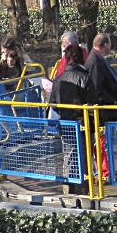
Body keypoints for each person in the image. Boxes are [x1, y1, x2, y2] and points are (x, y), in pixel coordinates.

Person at [49, 44, 98, 194]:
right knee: (83, 157)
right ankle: (81, 189)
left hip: (66, 122)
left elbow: (53, 103)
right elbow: (93, 103)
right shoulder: (85, 78)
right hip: (82, 124)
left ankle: (69, 187)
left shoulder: (59, 78)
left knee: (69, 155)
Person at [83, 33, 117, 180]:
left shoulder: (98, 59)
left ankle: (109, 171)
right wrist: (112, 102)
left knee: (105, 144)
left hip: (107, 111)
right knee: (102, 144)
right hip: (103, 113)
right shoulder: (95, 62)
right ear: (105, 45)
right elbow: (96, 88)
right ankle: (105, 173)